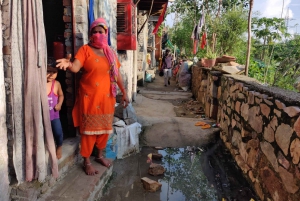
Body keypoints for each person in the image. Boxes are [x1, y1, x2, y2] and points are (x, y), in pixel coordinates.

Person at [56, 18, 129, 175]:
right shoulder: (85, 50)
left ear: (106, 33)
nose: (97, 34)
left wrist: (124, 92)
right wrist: (68, 64)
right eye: (94, 32)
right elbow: (75, 67)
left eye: (100, 32)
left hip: (107, 97)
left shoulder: (110, 52)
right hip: (89, 97)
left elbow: (118, 75)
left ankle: (99, 156)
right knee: (89, 131)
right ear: (90, 34)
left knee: (104, 130)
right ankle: (87, 161)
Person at [47, 63, 64, 159]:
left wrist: (60, 104)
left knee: (58, 132)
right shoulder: (39, 84)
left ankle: (59, 146)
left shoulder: (56, 84)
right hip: (42, 116)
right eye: (48, 71)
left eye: (54, 72)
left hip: (54, 115)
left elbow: (61, 95)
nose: (51, 75)